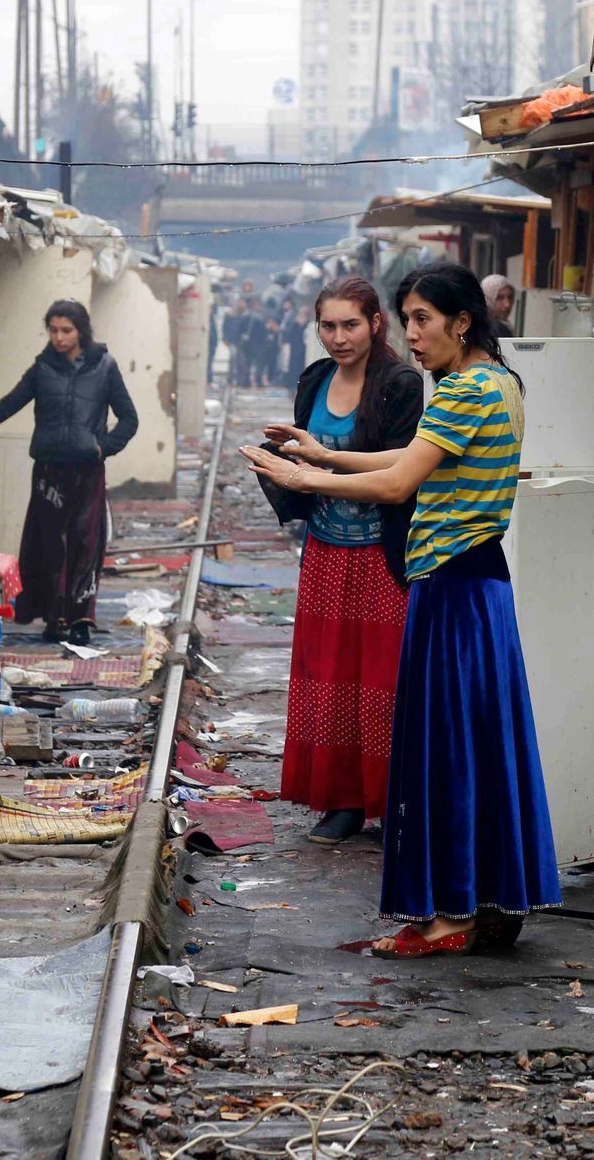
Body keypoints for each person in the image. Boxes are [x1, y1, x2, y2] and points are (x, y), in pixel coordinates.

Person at [244, 262, 559, 958]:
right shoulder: (497, 383)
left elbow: (398, 483)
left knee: (441, 754)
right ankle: (470, 904)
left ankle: (447, 919)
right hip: (480, 587)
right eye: (407, 319)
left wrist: (305, 475)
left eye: (421, 318)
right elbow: (410, 457)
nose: (411, 335)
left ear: (461, 320)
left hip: (449, 591)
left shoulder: (460, 392)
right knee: (476, 752)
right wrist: (326, 450)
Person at [254, 277, 423, 845]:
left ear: (376, 323)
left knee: (383, 682)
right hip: (325, 555)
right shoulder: (315, 379)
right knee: (328, 680)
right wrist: (283, 461)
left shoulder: (400, 384)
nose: (338, 337)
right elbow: (307, 467)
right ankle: (344, 803)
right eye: (328, 326)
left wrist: (322, 461)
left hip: (381, 555)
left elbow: (401, 467)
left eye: (350, 324)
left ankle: (392, 801)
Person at [0, 300, 138, 644]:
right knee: (49, 543)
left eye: (65, 330)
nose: (58, 337)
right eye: (53, 330)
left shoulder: (105, 367)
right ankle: (54, 618)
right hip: (49, 470)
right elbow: (8, 405)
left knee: (86, 542)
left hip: (88, 470)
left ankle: (80, 620)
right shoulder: (42, 369)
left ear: (81, 331)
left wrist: (103, 448)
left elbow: (129, 419)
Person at [281, 301, 311, 387]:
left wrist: (303, 325)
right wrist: (297, 324)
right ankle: (291, 386)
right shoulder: (294, 325)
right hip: (294, 350)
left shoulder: (309, 325)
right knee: (293, 369)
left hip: (304, 351)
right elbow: (289, 334)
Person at [483, 273, 518, 338]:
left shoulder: (504, 326)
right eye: (500, 298)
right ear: (487, 299)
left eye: (510, 297)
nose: (507, 304)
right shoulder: (495, 330)